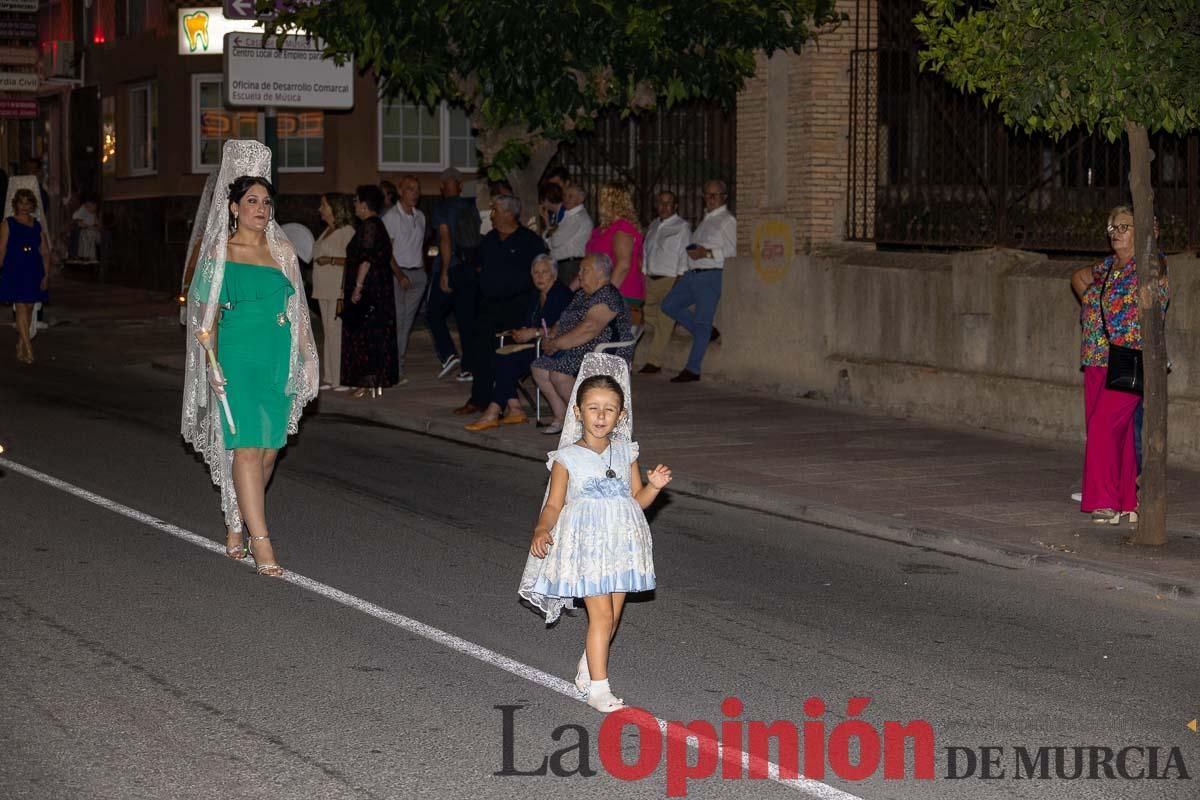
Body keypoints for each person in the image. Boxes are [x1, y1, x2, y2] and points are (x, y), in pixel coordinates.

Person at [181, 139, 319, 578]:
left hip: (277, 358)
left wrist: (309, 360)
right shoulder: (219, 255)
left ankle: (237, 520)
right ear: (235, 206)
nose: (261, 208)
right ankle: (262, 542)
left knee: (270, 450)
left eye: (266, 201)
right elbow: (206, 321)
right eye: (252, 201)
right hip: (238, 358)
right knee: (246, 448)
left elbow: (299, 314)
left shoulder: (283, 253)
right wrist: (212, 365)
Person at [518, 355, 672, 713]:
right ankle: (598, 688)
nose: (601, 416)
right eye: (593, 408)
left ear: (621, 415)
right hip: (587, 545)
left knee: (614, 616)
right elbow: (554, 504)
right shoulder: (566, 458)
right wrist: (542, 528)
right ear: (577, 412)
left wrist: (653, 486)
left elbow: (638, 502)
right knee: (601, 616)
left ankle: (589, 665)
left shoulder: (626, 452)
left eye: (609, 409)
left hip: (621, 543)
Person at [1076, 205, 1167, 524]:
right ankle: (1128, 499)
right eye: (1112, 228)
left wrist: (1150, 241)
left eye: (1123, 227)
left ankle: (1104, 502)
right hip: (1097, 358)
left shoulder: (1148, 266)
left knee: (1103, 425)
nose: (1115, 233)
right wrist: (1089, 295)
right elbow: (1077, 277)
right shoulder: (1108, 267)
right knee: (1121, 432)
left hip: (1131, 359)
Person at [456, 194, 547, 416]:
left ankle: (506, 399)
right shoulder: (489, 240)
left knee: (504, 353)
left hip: (517, 308)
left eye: (495, 210)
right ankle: (479, 398)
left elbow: (540, 275)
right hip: (489, 306)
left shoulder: (529, 241)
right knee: (480, 351)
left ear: (509, 213)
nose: (492, 215)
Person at [464, 253, 573, 431]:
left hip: (551, 348)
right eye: (535, 273)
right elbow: (530, 324)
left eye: (544, 272)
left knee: (505, 361)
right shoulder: (536, 297)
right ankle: (513, 407)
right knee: (498, 356)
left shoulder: (561, 295)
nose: (539, 277)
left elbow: (562, 327)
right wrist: (522, 332)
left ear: (554, 274)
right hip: (534, 346)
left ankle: (497, 410)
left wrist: (533, 332)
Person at [531, 253, 634, 434]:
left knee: (559, 374)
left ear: (600, 273)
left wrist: (557, 344)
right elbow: (563, 321)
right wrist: (552, 335)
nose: (579, 274)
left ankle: (586, 422)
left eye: (584, 270)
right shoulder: (582, 295)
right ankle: (562, 417)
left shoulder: (608, 295)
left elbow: (589, 329)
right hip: (579, 348)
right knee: (539, 368)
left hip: (605, 352)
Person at [662, 179, 737, 382]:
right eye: (707, 194)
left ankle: (693, 369)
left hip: (711, 275)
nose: (710, 199)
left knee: (703, 320)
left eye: (715, 195)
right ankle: (705, 333)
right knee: (668, 305)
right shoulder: (706, 219)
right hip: (693, 274)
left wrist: (706, 253)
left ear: (724, 197)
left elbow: (732, 252)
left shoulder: (727, 221)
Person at [341, 184, 400, 398]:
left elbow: (365, 259)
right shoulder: (378, 225)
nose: (354, 205)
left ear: (365, 205)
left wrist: (357, 287)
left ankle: (368, 383)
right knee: (374, 334)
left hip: (369, 289)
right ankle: (374, 381)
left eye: (356, 201)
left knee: (365, 335)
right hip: (378, 288)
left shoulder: (369, 226)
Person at [427, 167, 478, 382]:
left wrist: (445, 270)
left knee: (433, 313)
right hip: (470, 269)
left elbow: (445, 239)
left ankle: (448, 354)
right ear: (459, 185)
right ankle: (469, 368)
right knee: (466, 320)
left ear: (442, 186)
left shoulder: (441, 208)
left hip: (451, 267)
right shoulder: (470, 206)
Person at [380, 174, 426, 384]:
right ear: (400, 191)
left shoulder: (420, 216)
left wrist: (421, 272)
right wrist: (399, 275)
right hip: (398, 274)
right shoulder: (391, 217)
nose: (414, 193)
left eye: (417, 189)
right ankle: (394, 368)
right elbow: (386, 251)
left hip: (417, 274)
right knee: (398, 322)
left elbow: (419, 246)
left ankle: (397, 364)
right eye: (409, 189)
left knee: (406, 324)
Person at [639, 190, 691, 374]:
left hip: (669, 279)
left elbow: (683, 256)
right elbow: (646, 252)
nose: (664, 207)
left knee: (663, 318)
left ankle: (654, 361)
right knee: (647, 313)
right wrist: (643, 274)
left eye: (668, 203)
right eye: (660, 203)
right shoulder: (653, 225)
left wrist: (679, 281)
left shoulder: (682, 226)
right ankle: (682, 320)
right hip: (650, 279)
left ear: (675, 206)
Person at [0, 188, 51, 364]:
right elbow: (2, 249)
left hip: (33, 268)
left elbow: (44, 251)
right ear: (15, 204)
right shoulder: (8, 223)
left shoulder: (37, 225)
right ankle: (29, 348)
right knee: (21, 306)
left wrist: (46, 275)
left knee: (29, 307)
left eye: (28, 202)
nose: (24, 206)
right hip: (15, 268)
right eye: (21, 202)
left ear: (32, 205)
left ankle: (21, 343)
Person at [312, 192, 355, 391]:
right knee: (328, 333)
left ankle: (343, 378)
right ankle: (330, 376)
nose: (320, 209)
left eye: (324, 205)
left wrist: (329, 260)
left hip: (337, 288)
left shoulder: (346, 231)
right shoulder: (327, 230)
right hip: (323, 287)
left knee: (337, 332)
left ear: (334, 208)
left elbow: (353, 260)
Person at [586, 182, 644, 321]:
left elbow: (623, 265)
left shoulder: (623, 228)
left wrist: (604, 297)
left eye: (601, 197)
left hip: (621, 292)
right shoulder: (601, 230)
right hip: (599, 290)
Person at [548, 184, 592, 290]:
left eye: (570, 196)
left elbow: (554, 241)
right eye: (565, 195)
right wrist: (551, 235)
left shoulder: (577, 217)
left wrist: (551, 235)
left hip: (569, 266)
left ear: (580, 199)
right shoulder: (569, 216)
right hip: (564, 264)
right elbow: (549, 239)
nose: (566, 199)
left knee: (566, 300)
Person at [70, 193, 101, 262]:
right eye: (88, 206)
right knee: (84, 236)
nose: (93, 208)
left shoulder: (94, 214)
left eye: (94, 206)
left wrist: (94, 227)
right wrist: (87, 226)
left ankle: (91, 257)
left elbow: (98, 226)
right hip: (86, 232)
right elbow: (77, 220)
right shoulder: (84, 211)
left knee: (90, 236)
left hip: (94, 233)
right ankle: (85, 256)